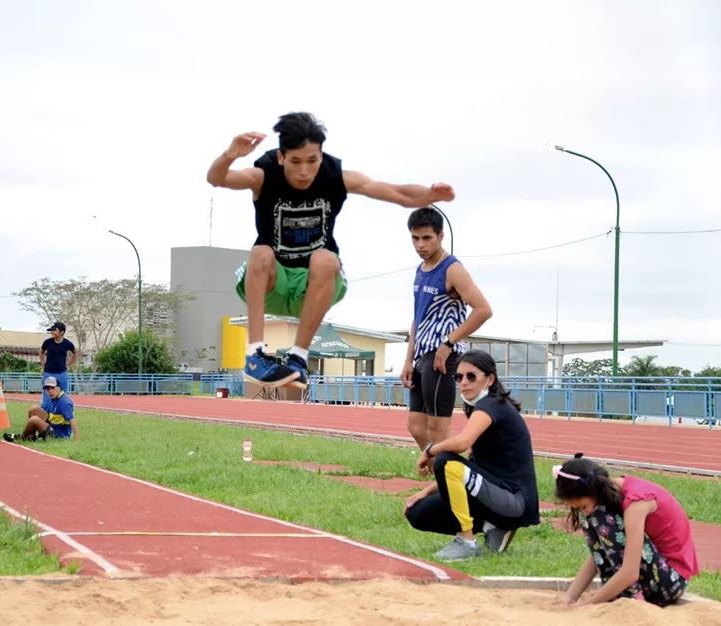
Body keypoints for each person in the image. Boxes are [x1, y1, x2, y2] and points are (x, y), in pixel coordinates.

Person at [207, 111, 456, 389]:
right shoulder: (264, 176)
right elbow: (217, 178)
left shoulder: (335, 177)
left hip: (315, 286)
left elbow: (396, 193)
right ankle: (254, 354)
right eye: (295, 162)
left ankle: (298, 357)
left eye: (312, 161)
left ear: (321, 157)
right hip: (271, 282)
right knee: (261, 252)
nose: (304, 171)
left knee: (326, 259)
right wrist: (230, 154)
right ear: (281, 157)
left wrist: (431, 194)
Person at [405, 350, 539, 561]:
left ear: (490, 378)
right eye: (458, 377)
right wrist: (427, 491)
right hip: (496, 495)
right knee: (418, 512)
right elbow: (467, 469)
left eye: (471, 376)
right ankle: (494, 526)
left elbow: (461, 443)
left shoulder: (493, 404)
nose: (463, 383)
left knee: (445, 459)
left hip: (514, 501)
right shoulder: (479, 408)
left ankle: (467, 542)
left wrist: (429, 450)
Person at [554, 453, 699, 607]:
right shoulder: (608, 498)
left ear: (594, 491)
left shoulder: (636, 503)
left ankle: (631, 598)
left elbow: (630, 572)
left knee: (599, 517)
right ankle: (618, 593)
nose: (585, 512)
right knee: (591, 519)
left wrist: (587, 605)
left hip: (670, 582)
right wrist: (570, 597)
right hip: (652, 575)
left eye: (583, 506)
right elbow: (600, 553)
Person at [401, 207, 492, 451]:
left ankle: (451, 480)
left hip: (442, 356)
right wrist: (408, 359)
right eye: (415, 238)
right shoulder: (420, 271)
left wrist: (449, 343)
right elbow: (417, 318)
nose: (420, 245)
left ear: (441, 236)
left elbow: (483, 310)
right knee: (416, 427)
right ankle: (438, 470)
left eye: (427, 238)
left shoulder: (452, 269)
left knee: (438, 429)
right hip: (421, 355)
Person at [3, 376, 79, 442]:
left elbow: (72, 421)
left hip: (59, 435)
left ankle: (22, 437)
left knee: (34, 419)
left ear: (59, 387)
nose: (50, 391)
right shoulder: (53, 398)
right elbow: (46, 414)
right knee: (34, 409)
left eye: (52, 388)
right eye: (47, 389)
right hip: (53, 425)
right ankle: (31, 436)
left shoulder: (64, 402)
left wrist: (76, 441)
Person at [40, 321, 76, 396]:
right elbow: (41, 352)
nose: (52, 332)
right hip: (48, 373)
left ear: (62, 332)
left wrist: (68, 365)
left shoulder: (67, 343)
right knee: (47, 397)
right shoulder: (48, 342)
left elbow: (75, 352)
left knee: (62, 396)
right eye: (51, 330)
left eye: (54, 330)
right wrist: (43, 366)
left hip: (61, 373)